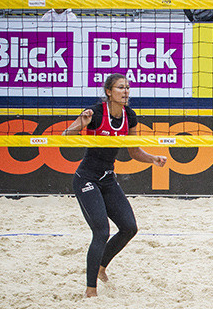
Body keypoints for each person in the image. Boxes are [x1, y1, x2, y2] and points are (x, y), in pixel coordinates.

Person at [62, 74, 167, 297]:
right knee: (101, 231)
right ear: (109, 92)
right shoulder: (97, 112)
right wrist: (80, 124)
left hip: (107, 178)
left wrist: (153, 159)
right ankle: (91, 290)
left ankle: (101, 267)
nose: (126, 91)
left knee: (129, 228)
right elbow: (64, 136)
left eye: (128, 87)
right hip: (87, 178)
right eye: (121, 87)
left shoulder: (129, 115)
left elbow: (134, 150)